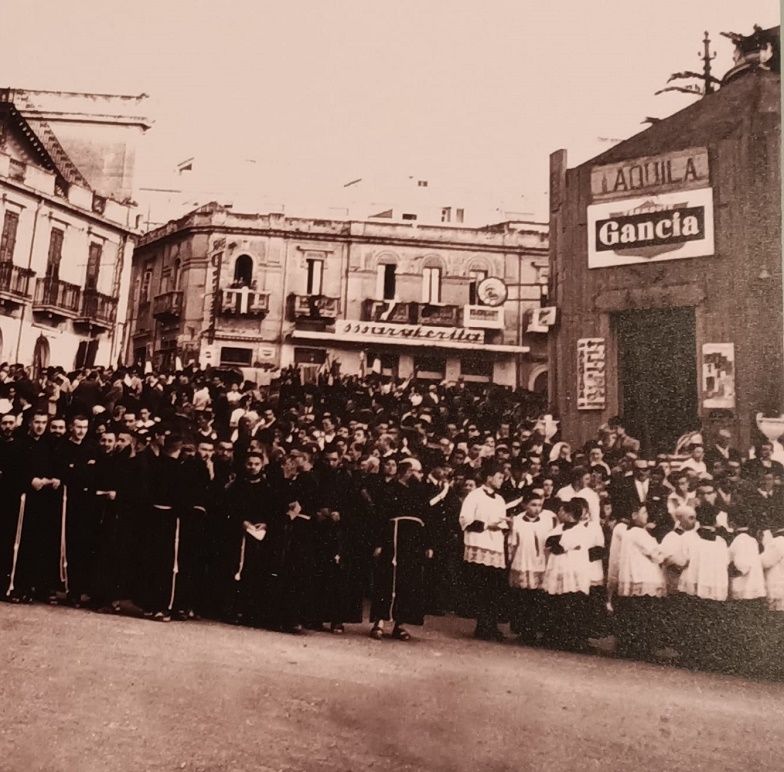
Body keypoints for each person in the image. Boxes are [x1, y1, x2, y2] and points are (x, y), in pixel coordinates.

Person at [369, 458, 432, 641]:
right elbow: (380, 518)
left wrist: (428, 545)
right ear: (407, 472)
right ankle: (379, 623)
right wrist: (379, 543)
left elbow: (427, 519)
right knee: (387, 579)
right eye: (417, 472)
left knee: (408, 581)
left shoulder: (420, 493)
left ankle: (400, 624)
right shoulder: (389, 489)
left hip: (413, 544)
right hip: (393, 540)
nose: (420, 476)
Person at [459, 461, 510, 642]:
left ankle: (492, 625)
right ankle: (482, 625)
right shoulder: (474, 496)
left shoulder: (500, 500)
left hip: (495, 547)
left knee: (494, 589)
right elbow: (465, 520)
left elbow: (501, 522)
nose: (501, 481)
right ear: (489, 478)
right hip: (479, 545)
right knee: (481, 589)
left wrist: (504, 526)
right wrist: (489, 525)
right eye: (499, 477)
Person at [614, 504, 666, 660]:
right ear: (634, 515)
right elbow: (657, 554)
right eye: (644, 513)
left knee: (632, 615)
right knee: (643, 616)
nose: (646, 516)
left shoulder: (629, 532)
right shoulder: (639, 533)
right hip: (643, 578)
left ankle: (629, 647)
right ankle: (642, 649)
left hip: (633, 577)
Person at [507, 490, 553, 645]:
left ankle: (533, 630)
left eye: (539, 505)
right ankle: (523, 630)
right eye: (533, 505)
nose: (536, 508)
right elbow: (512, 543)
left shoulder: (546, 521)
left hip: (539, 563)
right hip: (522, 561)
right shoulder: (518, 521)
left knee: (537, 598)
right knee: (522, 597)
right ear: (525, 505)